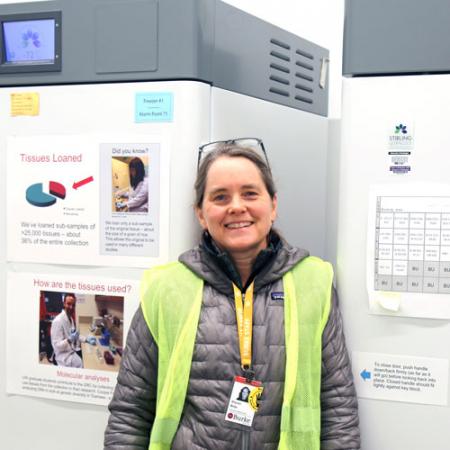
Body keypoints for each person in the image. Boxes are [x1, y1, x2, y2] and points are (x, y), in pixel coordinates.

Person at [104, 138, 360, 449]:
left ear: (273, 205)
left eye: (250, 193)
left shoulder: (313, 282)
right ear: (201, 213)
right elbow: (130, 411)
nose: (237, 206)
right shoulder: (166, 288)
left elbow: (338, 406)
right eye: (220, 197)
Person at [50, 293, 83, 368]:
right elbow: (56, 346)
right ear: (64, 304)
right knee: (80, 364)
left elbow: (75, 336)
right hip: (63, 356)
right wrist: (69, 340)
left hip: (71, 349)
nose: (71, 307)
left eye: (73, 305)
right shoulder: (57, 321)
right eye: (68, 304)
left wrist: (86, 339)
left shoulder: (70, 319)